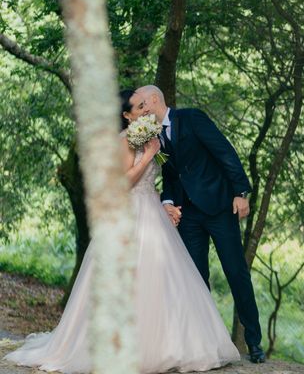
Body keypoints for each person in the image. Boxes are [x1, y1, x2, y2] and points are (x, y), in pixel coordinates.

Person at [3, 89, 241, 373]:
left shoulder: (148, 137)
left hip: (151, 212)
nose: (143, 110)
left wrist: (163, 201)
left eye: (144, 105)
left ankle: (170, 343)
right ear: (126, 115)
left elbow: (156, 180)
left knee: (163, 277)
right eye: (137, 108)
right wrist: (147, 155)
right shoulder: (123, 141)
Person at [133, 85, 265, 363]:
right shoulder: (154, 138)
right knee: (195, 278)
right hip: (189, 215)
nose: (142, 111)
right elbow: (170, 177)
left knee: (236, 273)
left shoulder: (192, 119)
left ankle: (254, 342)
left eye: (143, 105)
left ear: (155, 100)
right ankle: (204, 343)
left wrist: (241, 193)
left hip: (219, 208)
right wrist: (167, 202)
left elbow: (224, 152)